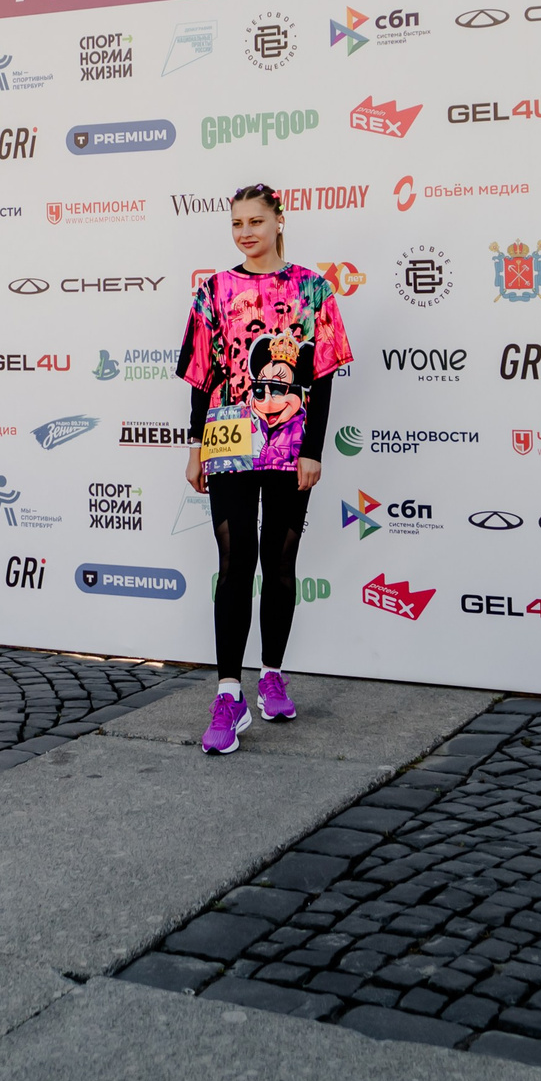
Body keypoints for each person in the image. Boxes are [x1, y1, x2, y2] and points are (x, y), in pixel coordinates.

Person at [178, 183, 351, 756]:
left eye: (256, 221)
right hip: (228, 445)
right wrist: (196, 444)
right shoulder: (215, 290)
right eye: (236, 224)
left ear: (280, 221)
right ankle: (228, 694)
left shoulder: (312, 288)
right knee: (233, 563)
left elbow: (322, 378)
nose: (246, 232)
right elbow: (202, 375)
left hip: (288, 443)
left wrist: (313, 450)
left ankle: (271, 673)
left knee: (279, 562)